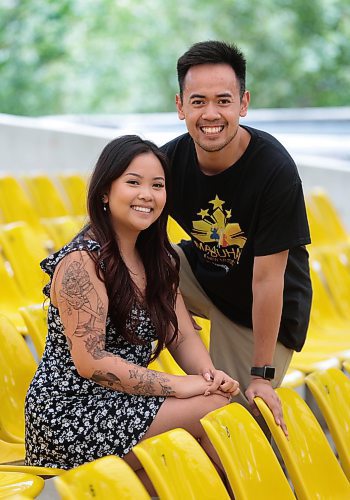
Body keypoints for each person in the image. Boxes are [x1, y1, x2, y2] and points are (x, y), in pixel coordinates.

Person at [25, 135, 239, 494]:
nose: (147, 194)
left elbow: (181, 334)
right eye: (133, 182)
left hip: (124, 402)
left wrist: (209, 376)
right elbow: (91, 362)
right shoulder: (82, 262)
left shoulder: (159, 259)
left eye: (157, 185)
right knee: (213, 412)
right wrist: (184, 386)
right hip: (71, 412)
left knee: (218, 414)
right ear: (105, 192)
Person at [161, 41, 312, 434]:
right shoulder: (167, 162)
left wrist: (261, 374)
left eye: (223, 101)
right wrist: (170, 307)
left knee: (228, 422)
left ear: (243, 103)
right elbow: (129, 235)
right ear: (180, 107)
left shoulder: (274, 170)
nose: (210, 114)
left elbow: (267, 280)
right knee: (130, 265)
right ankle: (117, 387)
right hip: (208, 277)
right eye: (198, 101)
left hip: (261, 311)